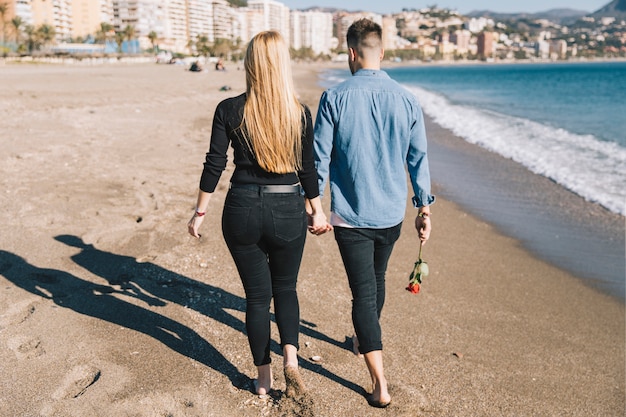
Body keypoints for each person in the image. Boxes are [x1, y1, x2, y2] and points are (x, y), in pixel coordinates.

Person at [188, 30, 331, 397]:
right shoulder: (298, 112)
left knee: (256, 297)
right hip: (287, 207)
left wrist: (200, 211)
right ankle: (292, 362)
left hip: (243, 207)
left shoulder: (229, 109)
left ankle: (264, 380)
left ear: (250, 64)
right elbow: (307, 168)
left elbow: (214, 164)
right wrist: (316, 210)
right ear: (283, 64)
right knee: (286, 287)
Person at [313, 18, 435, 408]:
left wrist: (313, 205)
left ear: (351, 53)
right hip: (391, 213)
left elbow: (318, 159)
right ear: (381, 52)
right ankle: (361, 340)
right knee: (375, 281)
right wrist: (424, 207)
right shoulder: (407, 99)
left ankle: (380, 383)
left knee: (363, 294)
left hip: (351, 214)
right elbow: (418, 159)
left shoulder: (334, 98)